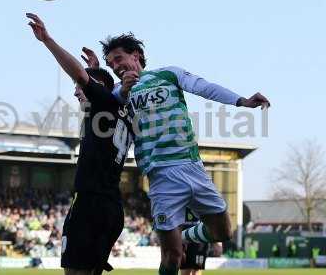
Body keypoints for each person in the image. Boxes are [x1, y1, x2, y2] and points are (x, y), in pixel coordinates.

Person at [99, 33, 270, 275]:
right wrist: (118, 90)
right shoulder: (117, 93)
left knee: (223, 232)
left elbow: (204, 87)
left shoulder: (168, 74)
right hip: (161, 177)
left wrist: (242, 101)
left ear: (135, 55)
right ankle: (178, 240)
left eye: (118, 59)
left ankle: (187, 233)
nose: (116, 67)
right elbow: (97, 106)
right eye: (111, 64)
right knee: (172, 257)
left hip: (192, 166)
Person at [27, 13, 133, 275]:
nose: (76, 91)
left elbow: (81, 76)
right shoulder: (123, 112)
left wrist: (48, 41)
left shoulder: (103, 104)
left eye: (80, 86)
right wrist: (97, 73)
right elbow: (103, 87)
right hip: (111, 208)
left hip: (89, 204)